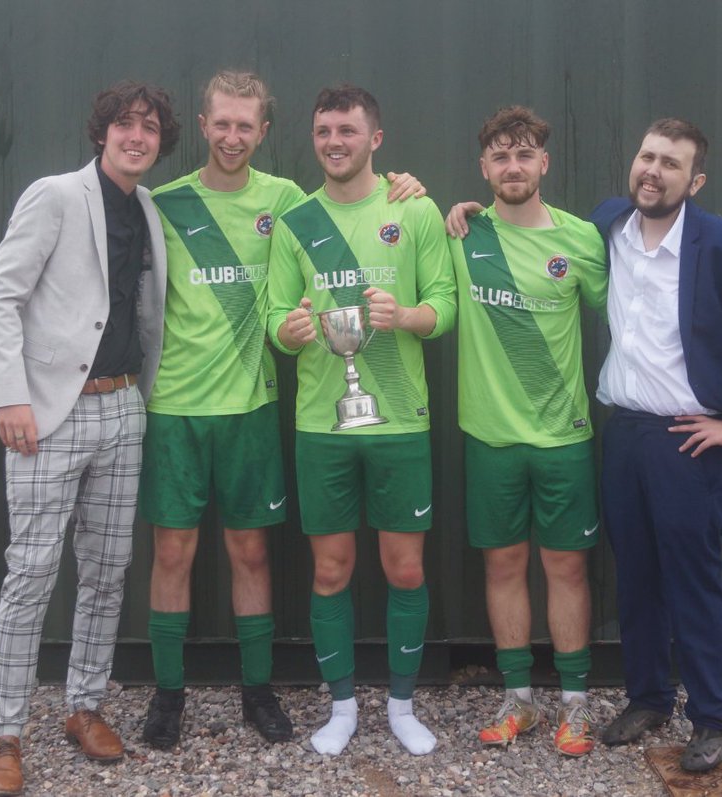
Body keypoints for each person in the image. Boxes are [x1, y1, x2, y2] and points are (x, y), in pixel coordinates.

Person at [138, 70, 425, 749]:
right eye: (222, 123)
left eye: (247, 125)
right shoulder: (163, 204)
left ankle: (258, 691)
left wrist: (407, 186)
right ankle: (168, 696)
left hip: (253, 406)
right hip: (175, 407)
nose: (233, 136)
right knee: (171, 551)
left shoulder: (291, 201)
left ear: (264, 132)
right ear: (204, 126)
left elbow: (361, 199)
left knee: (250, 552)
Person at [0, 81, 179, 796]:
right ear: (102, 133)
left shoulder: (149, 208)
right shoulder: (55, 195)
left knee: (107, 568)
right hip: (47, 415)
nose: (137, 136)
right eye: (124, 124)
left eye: (149, 127)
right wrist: (9, 397)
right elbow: (1, 295)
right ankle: (5, 732)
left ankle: (83, 705)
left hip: (123, 409)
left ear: (160, 141)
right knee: (32, 572)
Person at [591, 119, 722, 772]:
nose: (653, 171)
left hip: (687, 442)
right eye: (647, 156)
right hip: (622, 434)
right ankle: (649, 696)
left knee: (694, 583)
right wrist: (466, 213)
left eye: (671, 164)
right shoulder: (608, 225)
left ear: (695, 180)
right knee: (637, 578)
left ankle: (713, 717)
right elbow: (530, 226)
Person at [267, 84, 456, 756]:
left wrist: (404, 316)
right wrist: (289, 331)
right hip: (323, 422)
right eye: (323, 132)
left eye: (347, 131)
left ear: (375, 138)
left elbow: (445, 307)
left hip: (402, 421)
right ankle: (342, 705)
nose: (334, 143)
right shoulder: (297, 220)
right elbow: (273, 316)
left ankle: (401, 705)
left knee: (405, 568)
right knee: (330, 569)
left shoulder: (415, 208)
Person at [447, 106, 607, 755]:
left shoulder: (581, 239)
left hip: (565, 438)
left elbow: (630, 316)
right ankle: (520, 702)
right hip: (491, 438)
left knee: (566, 567)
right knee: (504, 563)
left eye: (524, 154)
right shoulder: (462, 234)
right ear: (484, 167)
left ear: (544, 163)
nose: (513, 166)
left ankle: (574, 706)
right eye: (500, 156)